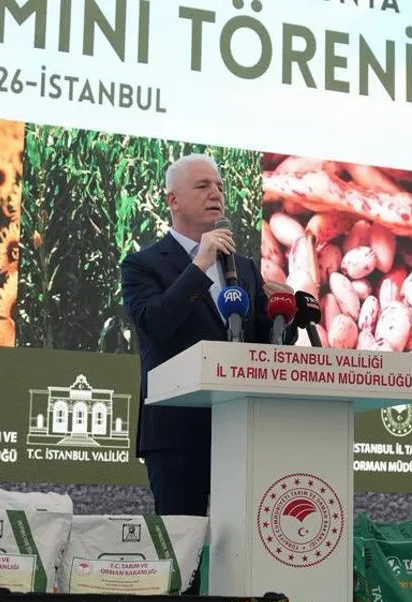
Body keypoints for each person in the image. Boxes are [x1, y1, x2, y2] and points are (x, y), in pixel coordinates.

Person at [121, 153, 293, 519]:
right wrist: (200, 264)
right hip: (177, 433)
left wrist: (284, 316)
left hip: (240, 429)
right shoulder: (143, 265)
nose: (216, 193)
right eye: (202, 186)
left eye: (219, 186)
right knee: (184, 544)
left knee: (245, 539)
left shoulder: (243, 267)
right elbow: (156, 324)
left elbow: (266, 346)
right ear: (173, 200)